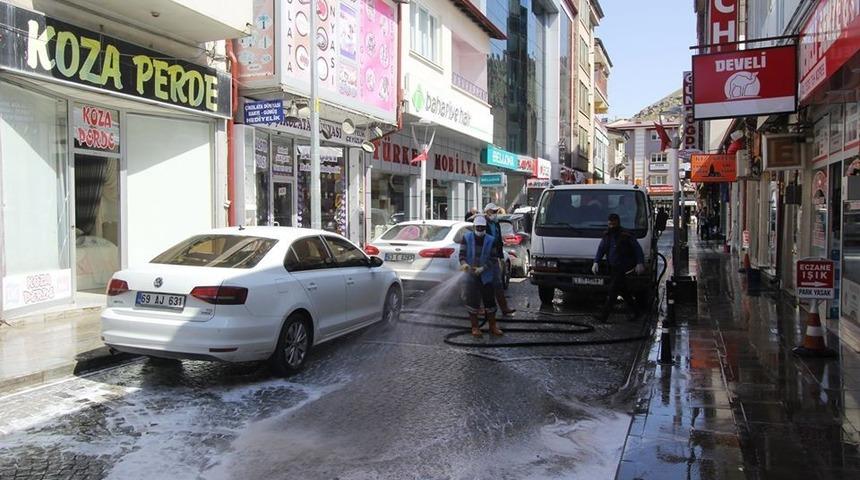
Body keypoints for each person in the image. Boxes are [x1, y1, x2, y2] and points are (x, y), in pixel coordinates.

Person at [592, 213, 646, 321]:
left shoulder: (626, 235)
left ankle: (604, 316)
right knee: (624, 292)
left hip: (623, 267)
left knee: (612, 292)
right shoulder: (607, 235)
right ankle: (637, 312)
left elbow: (637, 249)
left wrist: (640, 263)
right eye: (610, 224)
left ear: (618, 223)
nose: (611, 226)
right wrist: (596, 262)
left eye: (613, 224)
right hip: (612, 267)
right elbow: (601, 248)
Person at [459, 215, 503, 337]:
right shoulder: (466, 238)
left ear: (485, 228)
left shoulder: (491, 240)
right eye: (478, 227)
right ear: (474, 227)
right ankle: (475, 327)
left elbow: (493, 258)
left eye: (482, 228)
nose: (480, 230)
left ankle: (493, 326)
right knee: (472, 302)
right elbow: (461, 255)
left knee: (490, 302)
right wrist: (465, 264)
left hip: (486, 276)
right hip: (471, 276)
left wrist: (483, 268)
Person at [483, 203, 516, 316]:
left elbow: (498, 242)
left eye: (496, 212)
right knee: (484, 285)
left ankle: (504, 308)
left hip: (495, 256)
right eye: (493, 212)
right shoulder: (482, 223)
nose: (495, 214)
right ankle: (483, 309)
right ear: (487, 212)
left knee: (498, 283)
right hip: (484, 258)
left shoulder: (496, 223)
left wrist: (501, 257)